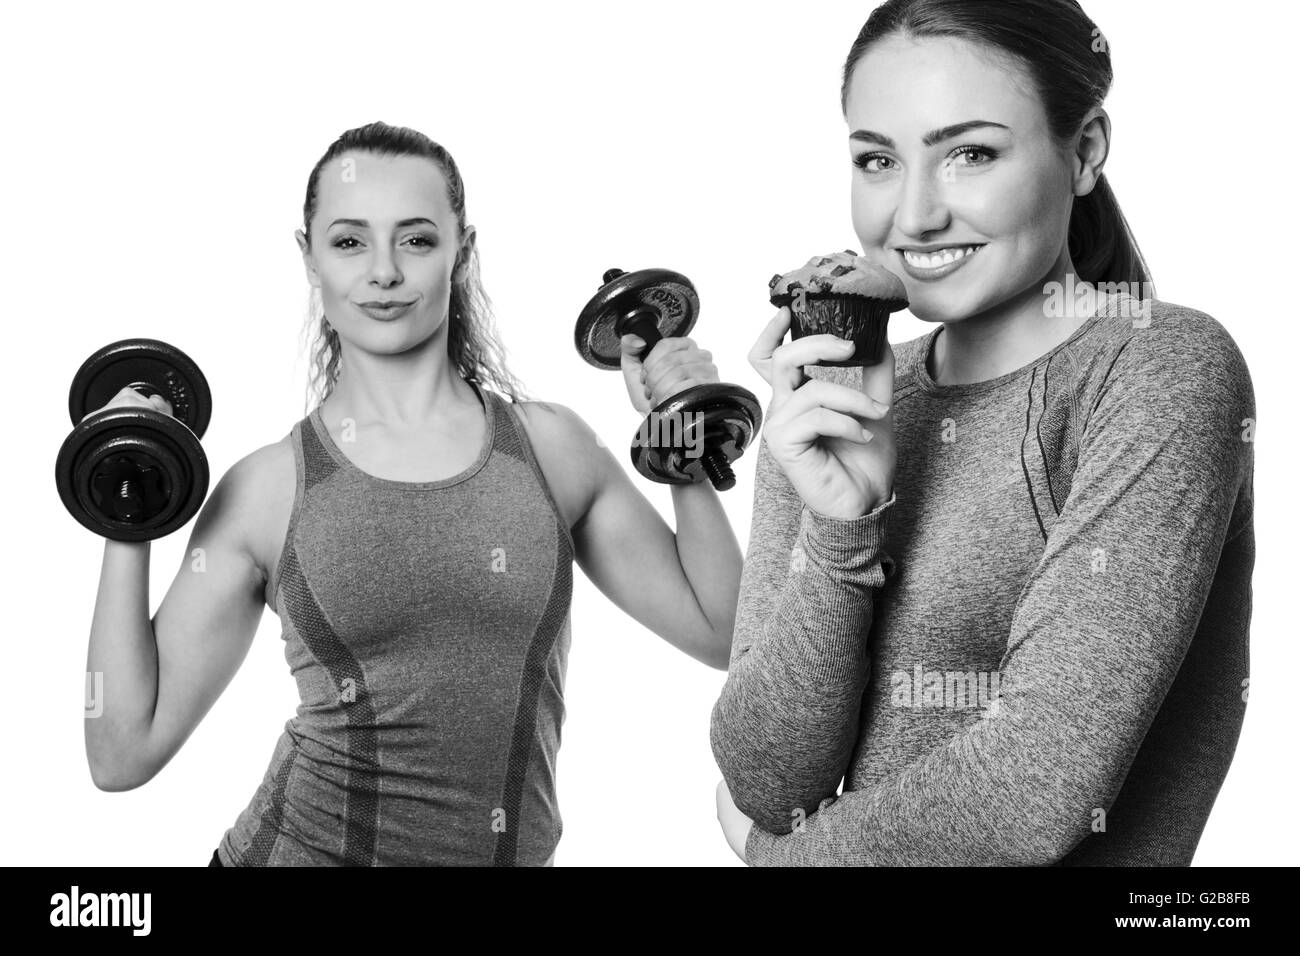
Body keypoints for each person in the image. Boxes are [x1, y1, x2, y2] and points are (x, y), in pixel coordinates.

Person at [83, 120, 743, 866]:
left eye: (418, 239)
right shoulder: (268, 490)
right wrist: (126, 507)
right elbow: (121, 752)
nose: (385, 272)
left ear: (463, 250)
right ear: (309, 258)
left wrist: (681, 437)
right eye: (349, 241)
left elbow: (726, 636)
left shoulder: (551, 451)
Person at [712, 0, 1255, 866]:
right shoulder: (833, 402)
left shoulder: (1160, 369)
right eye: (877, 160)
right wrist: (842, 526)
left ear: (1084, 152)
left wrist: (779, 861)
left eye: (970, 153)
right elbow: (769, 783)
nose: (914, 215)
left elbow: (1034, 789)